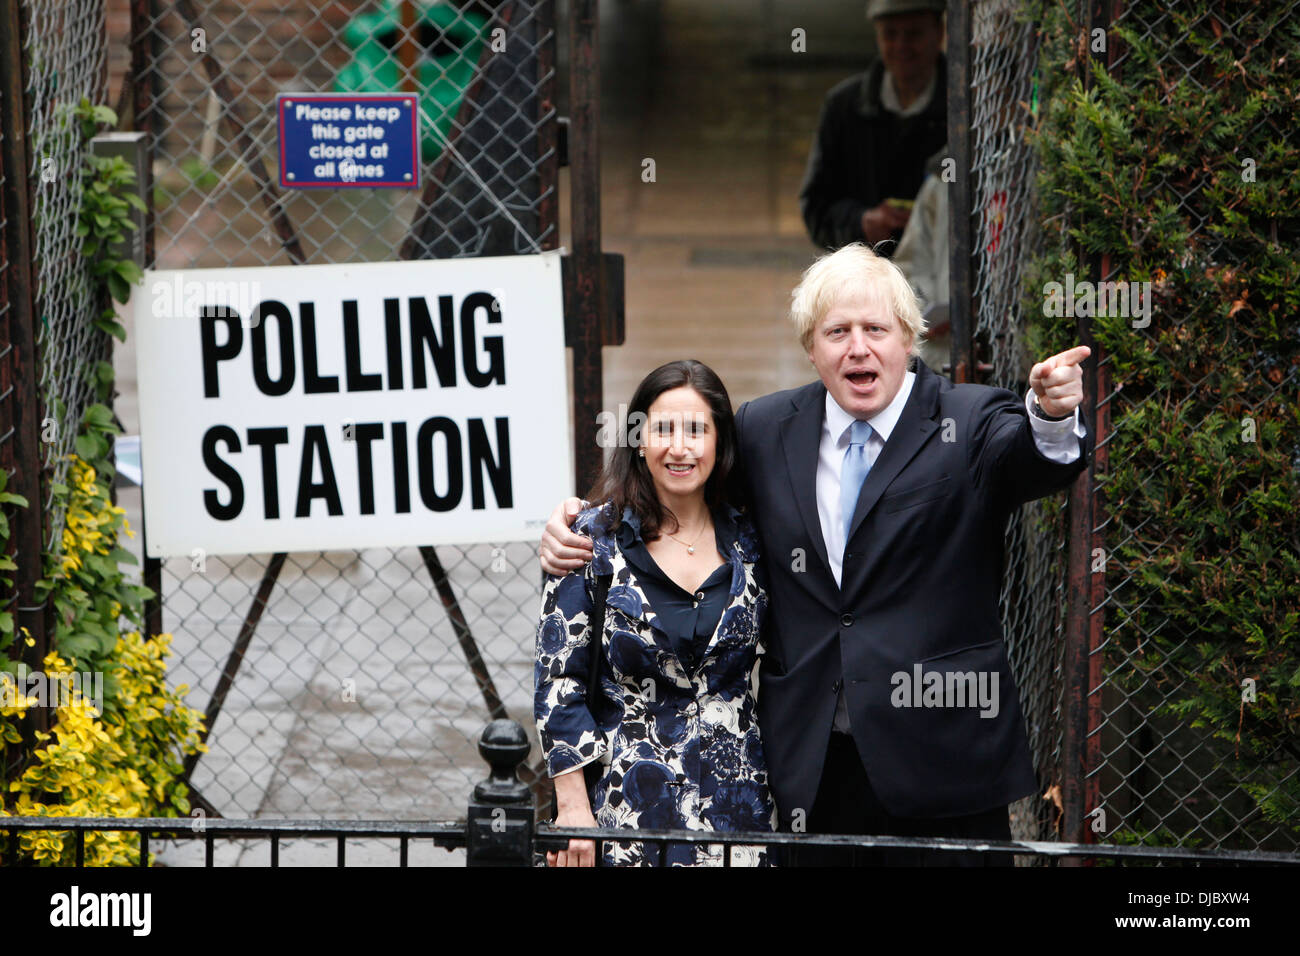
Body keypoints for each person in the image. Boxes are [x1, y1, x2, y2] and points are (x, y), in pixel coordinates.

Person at [541, 243, 1092, 865]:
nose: (858, 347)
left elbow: (1032, 461)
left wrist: (1047, 413)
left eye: (876, 329)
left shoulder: (967, 420)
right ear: (812, 347)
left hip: (946, 761)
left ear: (908, 338)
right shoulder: (764, 428)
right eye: (837, 332)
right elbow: (684, 497)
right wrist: (579, 523)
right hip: (816, 768)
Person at [534, 360, 776, 867]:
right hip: (624, 814)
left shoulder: (753, 539)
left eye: (697, 430)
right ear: (639, 441)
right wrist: (573, 809)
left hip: (739, 812)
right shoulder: (590, 539)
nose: (680, 447)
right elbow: (559, 681)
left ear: (719, 443)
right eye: (663, 429)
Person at [799, 0, 947, 253]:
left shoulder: (965, 105)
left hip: (943, 275)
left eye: (914, 34)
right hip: (867, 277)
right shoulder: (843, 106)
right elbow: (816, 208)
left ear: (940, 33)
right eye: (890, 34)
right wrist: (862, 221)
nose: (901, 46)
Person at [892, 147, 950, 371]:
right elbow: (911, 264)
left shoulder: (1036, 174)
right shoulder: (942, 182)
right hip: (943, 352)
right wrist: (921, 313)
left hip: (1016, 355)